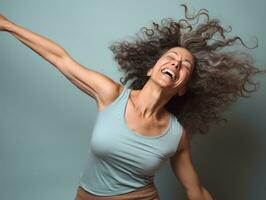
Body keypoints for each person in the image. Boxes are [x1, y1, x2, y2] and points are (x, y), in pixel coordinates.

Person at [1, 4, 265, 200]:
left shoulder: (176, 135)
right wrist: (7, 25)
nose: (176, 62)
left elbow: (194, 189)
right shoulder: (111, 95)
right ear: (151, 69)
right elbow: (60, 58)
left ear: (183, 87)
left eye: (185, 65)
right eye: (172, 56)